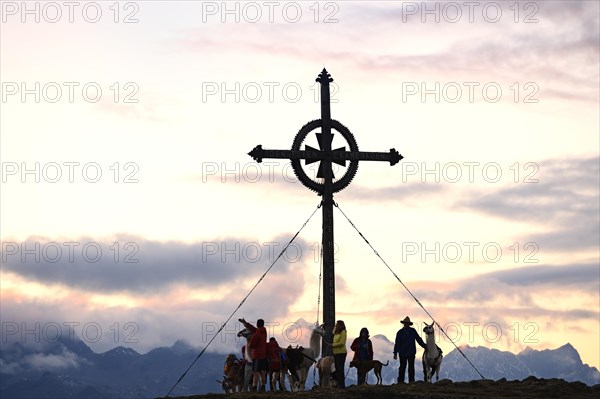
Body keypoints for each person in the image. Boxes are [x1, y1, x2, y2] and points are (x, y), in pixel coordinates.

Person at [393, 316, 426, 383]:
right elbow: (397, 343)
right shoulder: (400, 332)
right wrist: (395, 352)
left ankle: (411, 381)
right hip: (403, 352)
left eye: (407, 323)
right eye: (405, 323)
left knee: (410, 368)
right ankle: (401, 382)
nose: (406, 324)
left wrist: (424, 346)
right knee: (403, 367)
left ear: (408, 324)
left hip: (410, 352)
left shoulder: (410, 331)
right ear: (404, 323)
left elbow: (418, 339)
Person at [239, 318, 268, 391]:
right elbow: (253, 328)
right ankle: (263, 386)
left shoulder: (257, 334)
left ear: (257, 324)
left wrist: (249, 344)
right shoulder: (263, 332)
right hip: (263, 355)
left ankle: (254, 387)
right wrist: (245, 323)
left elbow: (251, 345)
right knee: (262, 372)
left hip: (257, 355)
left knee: (255, 372)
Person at [331, 320, 347, 388]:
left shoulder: (343, 332)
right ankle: (339, 384)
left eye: (337, 324)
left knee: (340, 369)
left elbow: (342, 343)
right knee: (337, 369)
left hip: (341, 353)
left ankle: (342, 385)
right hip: (336, 353)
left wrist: (333, 345)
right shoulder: (336, 333)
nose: (336, 325)